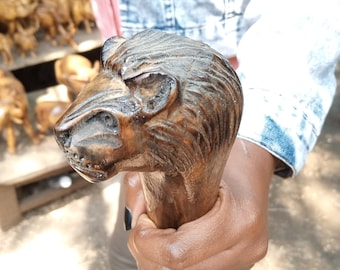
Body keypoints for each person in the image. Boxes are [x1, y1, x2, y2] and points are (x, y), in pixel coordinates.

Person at [90, 0, 340, 269]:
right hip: (141, 142)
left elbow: (304, 12)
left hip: (217, 131)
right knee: (127, 255)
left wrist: (244, 157)